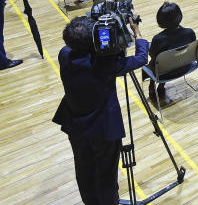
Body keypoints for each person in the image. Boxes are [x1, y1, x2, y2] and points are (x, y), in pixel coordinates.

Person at [52, 16, 148, 205]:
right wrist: (136, 32)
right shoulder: (105, 64)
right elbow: (141, 58)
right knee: (106, 174)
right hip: (103, 130)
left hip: (76, 125)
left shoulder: (64, 54)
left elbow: (84, 44)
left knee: (84, 169)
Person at [144, 2, 197, 104]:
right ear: (180, 16)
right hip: (186, 67)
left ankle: (152, 86)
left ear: (160, 20)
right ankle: (161, 86)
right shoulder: (190, 32)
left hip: (163, 74)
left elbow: (152, 55)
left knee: (154, 62)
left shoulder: (158, 39)